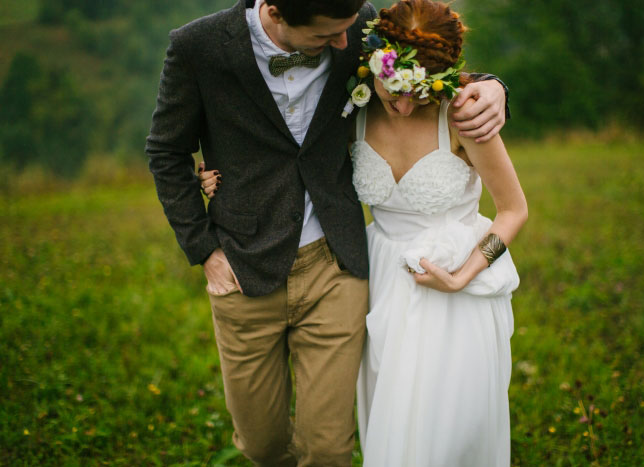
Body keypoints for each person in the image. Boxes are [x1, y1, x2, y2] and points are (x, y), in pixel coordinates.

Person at [148, 0, 509, 465]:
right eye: (327, 37)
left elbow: (429, 62)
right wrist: (204, 250)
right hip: (243, 267)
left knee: (328, 450)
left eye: (348, 32)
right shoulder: (197, 47)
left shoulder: (356, 25)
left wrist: (495, 86)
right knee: (262, 445)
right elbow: (165, 151)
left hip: (336, 264)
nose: (345, 43)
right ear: (277, 12)